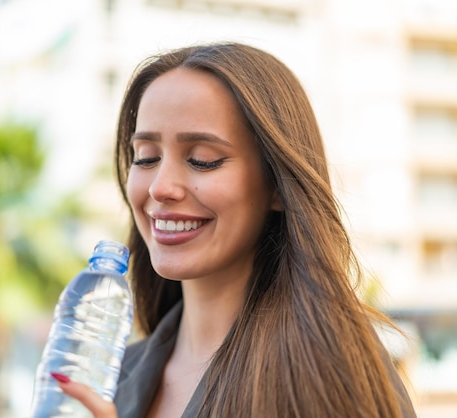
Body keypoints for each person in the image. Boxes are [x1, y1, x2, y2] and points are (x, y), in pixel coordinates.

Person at [51, 42, 417, 417]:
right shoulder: (111, 378)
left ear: (276, 184)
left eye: (202, 160)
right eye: (146, 157)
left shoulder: (332, 363)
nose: (160, 186)